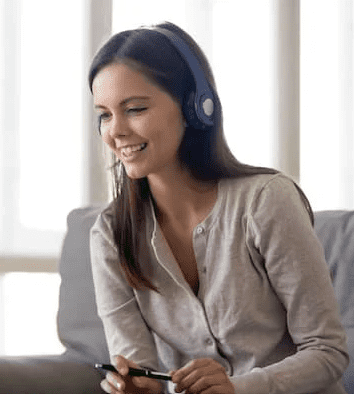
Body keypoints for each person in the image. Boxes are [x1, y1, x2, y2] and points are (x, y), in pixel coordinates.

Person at [89, 22, 349, 394]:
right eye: (104, 115)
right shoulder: (110, 235)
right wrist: (138, 388)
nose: (115, 131)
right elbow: (140, 371)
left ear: (196, 107)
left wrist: (239, 389)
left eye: (134, 109)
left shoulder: (265, 202)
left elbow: (328, 351)